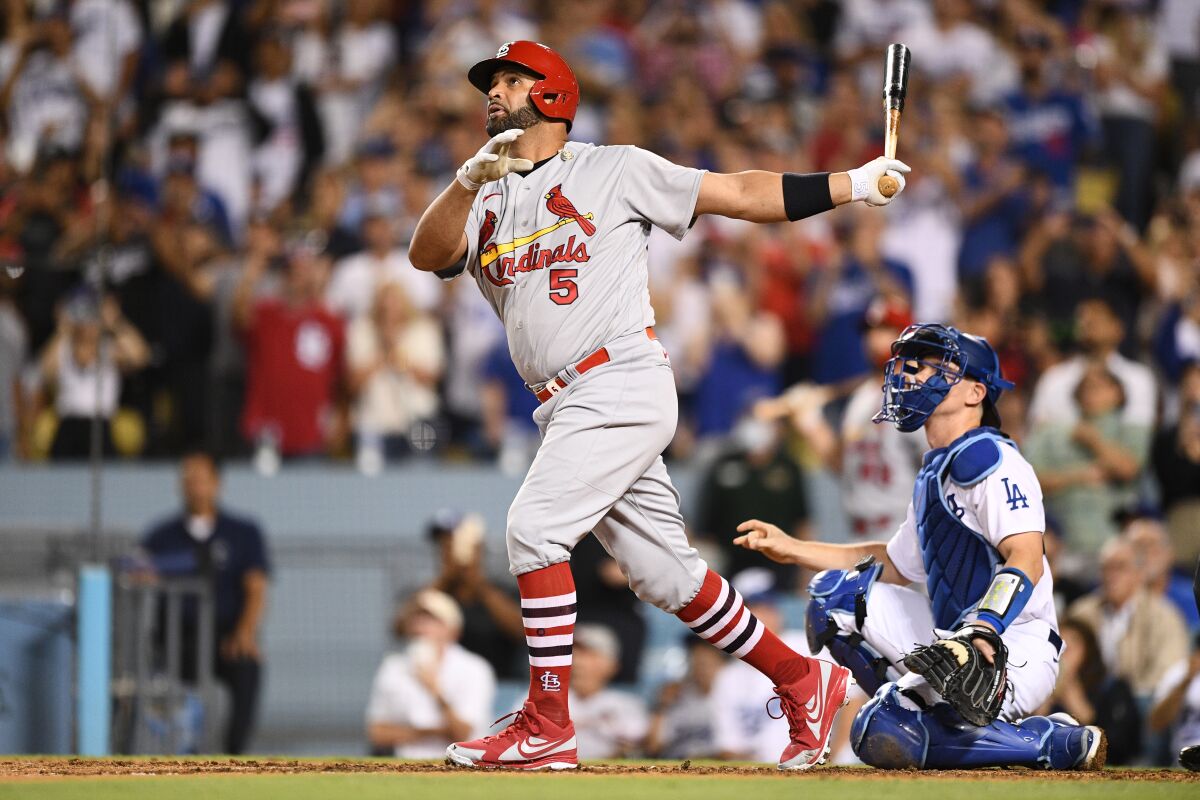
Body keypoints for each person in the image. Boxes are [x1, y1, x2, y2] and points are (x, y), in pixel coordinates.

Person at [410, 40, 910, 771]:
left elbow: (738, 193)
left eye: (511, 80)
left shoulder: (614, 169)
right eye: (492, 83)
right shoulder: (484, 196)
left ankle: (548, 722)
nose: (495, 92)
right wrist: (462, 183)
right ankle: (807, 679)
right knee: (666, 577)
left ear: (551, 93)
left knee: (535, 530)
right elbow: (427, 254)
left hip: (618, 378)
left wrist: (853, 185)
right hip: (564, 402)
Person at [733, 323, 1105, 770]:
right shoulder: (935, 470)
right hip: (954, 639)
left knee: (879, 732)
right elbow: (893, 563)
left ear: (974, 393)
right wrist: (793, 548)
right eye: (915, 366)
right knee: (835, 598)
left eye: (936, 368)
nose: (913, 376)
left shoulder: (991, 457)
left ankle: (1045, 742)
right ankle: (944, 723)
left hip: (1013, 642)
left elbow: (1025, 556)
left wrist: (983, 630)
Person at [140, 450, 270, 754]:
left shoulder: (243, 532)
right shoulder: (161, 536)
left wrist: (244, 632)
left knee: (248, 667)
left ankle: (235, 756)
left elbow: (256, 587)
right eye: (188, 479)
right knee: (162, 690)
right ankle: (182, 755)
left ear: (217, 483)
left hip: (226, 636)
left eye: (202, 479)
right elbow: (139, 573)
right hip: (176, 640)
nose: (195, 486)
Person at [365, 589, 496, 759]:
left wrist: (434, 690)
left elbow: (463, 734)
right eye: (416, 619)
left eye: (432, 620)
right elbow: (377, 733)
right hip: (404, 762)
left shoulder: (475, 668)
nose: (421, 627)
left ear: (453, 630)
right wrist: (433, 732)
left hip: (462, 763)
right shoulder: (394, 666)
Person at [1067, 537, 1190, 700]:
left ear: (1139, 574)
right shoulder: (1081, 613)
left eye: (1120, 567)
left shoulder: (1164, 617)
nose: (1111, 575)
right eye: (1105, 568)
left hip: (1138, 711)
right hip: (1083, 704)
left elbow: (1167, 677)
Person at [1038, 618, 1142, 766]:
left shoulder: (1111, 688)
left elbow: (1122, 747)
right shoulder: (1038, 688)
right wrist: (1042, 707)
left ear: (1088, 651)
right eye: (1059, 646)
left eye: (1072, 646)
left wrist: (1081, 709)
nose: (1064, 654)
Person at [566, 624, 649, 759]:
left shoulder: (627, 704)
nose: (577, 662)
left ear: (612, 665)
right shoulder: (540, 699)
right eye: (574, 654)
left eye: (589, 656)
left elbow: (634, 748)